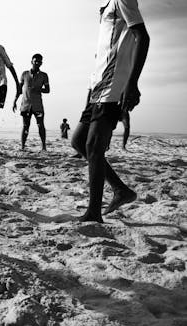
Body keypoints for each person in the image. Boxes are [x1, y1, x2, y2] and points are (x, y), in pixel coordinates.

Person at [71, 0, 149, 222]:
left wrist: (132, 83)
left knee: (94, 146)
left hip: (114, 86)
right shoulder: (107, 6)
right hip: (98, 85)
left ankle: (94, 213)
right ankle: (120, 190)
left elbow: (142, 37)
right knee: (78, 141)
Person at [18, 54, 50, 151]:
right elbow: (19, 89)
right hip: (25, 104)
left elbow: (47, 90)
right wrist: (15, 100)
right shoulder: (24, 74)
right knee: (25, 126)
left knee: (40, 125)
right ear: (31, 61)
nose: (37, 63)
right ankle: (23, 146)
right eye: (35, 61)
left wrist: (39, 89)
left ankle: (44, 147)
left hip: (37, 105)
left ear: (41, 63)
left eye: (39, 61)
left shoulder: (44, 75)